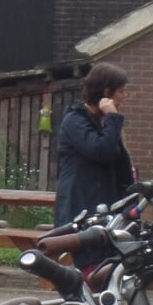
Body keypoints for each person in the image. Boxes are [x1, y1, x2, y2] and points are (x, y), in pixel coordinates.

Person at [54, 64, 133, 227]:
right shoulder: (75, 121)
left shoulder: (103, 122)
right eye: (121, 91)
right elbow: (102, 151)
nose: (124, 96)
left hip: (104, 209)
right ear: (106, 93)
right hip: (81, 209)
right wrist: (112, 116)